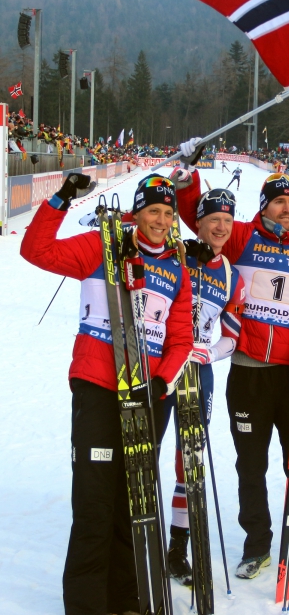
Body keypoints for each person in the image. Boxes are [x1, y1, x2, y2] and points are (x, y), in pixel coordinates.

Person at [20, 172, 193, 615]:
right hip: (98, 388)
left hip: (145, 395)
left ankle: (127, 598)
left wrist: (161, 381)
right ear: (137, 213)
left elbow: (181, 338)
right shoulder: (103, 247)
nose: (160, 220)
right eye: (153, 211)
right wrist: (61, 199)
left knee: (132, 501)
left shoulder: (176, 267)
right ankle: (87, 605)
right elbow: (34, 250)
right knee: (95, 505)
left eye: (168, 213)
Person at [175, 164, 289, 583]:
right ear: (264, 206)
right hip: (248, 370)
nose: (287, 209)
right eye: (279, 201)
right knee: (250, 466)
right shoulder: (243, 237)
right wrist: (187, 178)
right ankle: (257, 545)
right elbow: (203, 216)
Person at [165, 169, 246, 586]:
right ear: (196, 222)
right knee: (139, 450)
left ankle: (177, 549)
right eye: (213, 218)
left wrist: (208, 352)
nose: (220, 226)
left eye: (227, 221)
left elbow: (232, 336)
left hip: (198, 371)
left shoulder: (231, 274)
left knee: (189, 459)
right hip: (159, 365)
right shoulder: (173, 252)